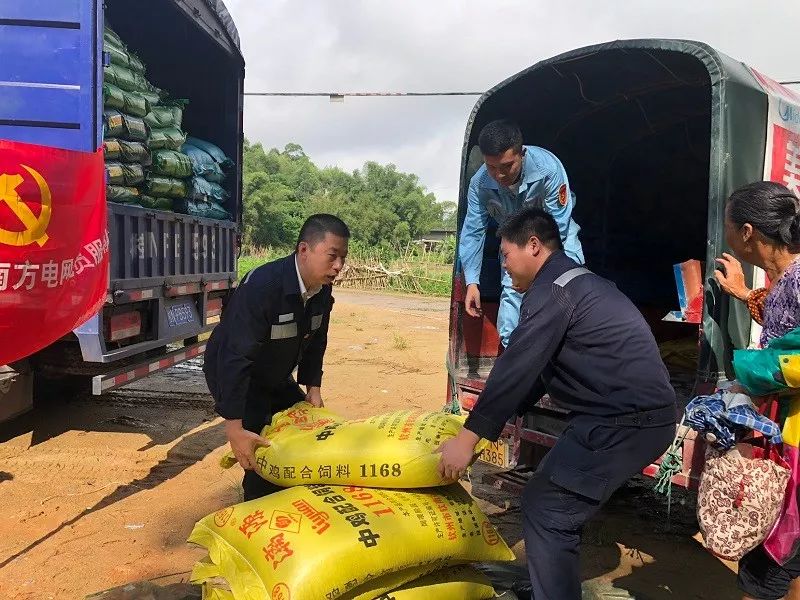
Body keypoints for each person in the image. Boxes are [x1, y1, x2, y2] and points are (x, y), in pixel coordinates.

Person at [438, 206, 675, 599]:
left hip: (625, 422)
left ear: (533, 246)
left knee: (550, 507)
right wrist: (483, 430)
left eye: (505, 255)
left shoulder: (555, 291)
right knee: (552, 500)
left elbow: (516, 367)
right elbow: (533, 374)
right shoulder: (574, 283)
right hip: (622, 418)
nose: (504, 266)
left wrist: (466, 441)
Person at [203, 214, 349, 501]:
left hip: (275, 374)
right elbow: (236, 356)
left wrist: (313, 388)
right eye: (332, 256)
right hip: (239, 375)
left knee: (305, 434)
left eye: (343, 258)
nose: (338, 266)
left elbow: (317, 338)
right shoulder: (263, 287)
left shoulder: (322, 289)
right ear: (304, 249)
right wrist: (235, 428)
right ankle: (259, 514)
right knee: (260, 453)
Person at [713, 181, 800, 600]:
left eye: (727, 224)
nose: (723, 232)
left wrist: (751, 372)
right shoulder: (785, 279)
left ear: (746, 232)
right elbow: (786, 324)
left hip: (798, 442)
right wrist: (744, 293)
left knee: (766, 564)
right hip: (785, 436)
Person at [459, 119, 584, 346]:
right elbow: (473, 232)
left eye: (507, 166)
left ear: (522, 153)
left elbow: (559, 226)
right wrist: (472, 283)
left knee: (567, 288)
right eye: (492, 167)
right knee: (512, 291)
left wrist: (548, 275)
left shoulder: (548, 169)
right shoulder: (480, 184)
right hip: (515, 241)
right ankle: (512, 354)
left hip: (555, 236)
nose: (499, 175)